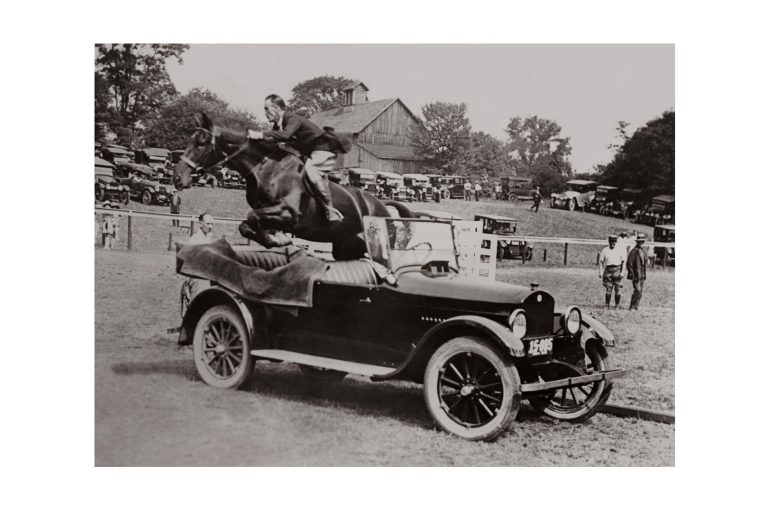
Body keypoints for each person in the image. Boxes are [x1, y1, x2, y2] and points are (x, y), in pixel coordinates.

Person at [248, 94, 350, 223]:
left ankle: (331, 210)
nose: (265, 113)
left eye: (267, 108)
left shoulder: (292, 118)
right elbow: (272, 143)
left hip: (323, 149)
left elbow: (285, 135)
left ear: (277, 108)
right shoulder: (277, 126)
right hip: (310, 152)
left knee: (310, 170)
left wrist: (259, 134)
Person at [598, 234, 625, 308]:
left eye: (614, 242)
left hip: (617, 270)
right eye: (611, 242)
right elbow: (601, 261)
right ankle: (607, 305)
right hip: (608, 270)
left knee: (618, 289)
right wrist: (600, 271)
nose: (612, 244)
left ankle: (617, 305)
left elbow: (624, 262)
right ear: (609, 242)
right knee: (608, 288)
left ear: (616, 242)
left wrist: (622, 272)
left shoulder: (620, 250)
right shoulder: (605, 250)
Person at [626, 233, 649, 311]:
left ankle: (636, 306)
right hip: (636, 273)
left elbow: (646, 259)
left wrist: (646, 260)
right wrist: (631, 272)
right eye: (639, 241)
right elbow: (629, 263)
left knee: (641, 291)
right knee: (637, 290)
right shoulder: (634, 251)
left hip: (642, 273)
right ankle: (632, 306)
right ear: (637, 242)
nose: (641, 243)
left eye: (642, 241)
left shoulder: (643, 250)